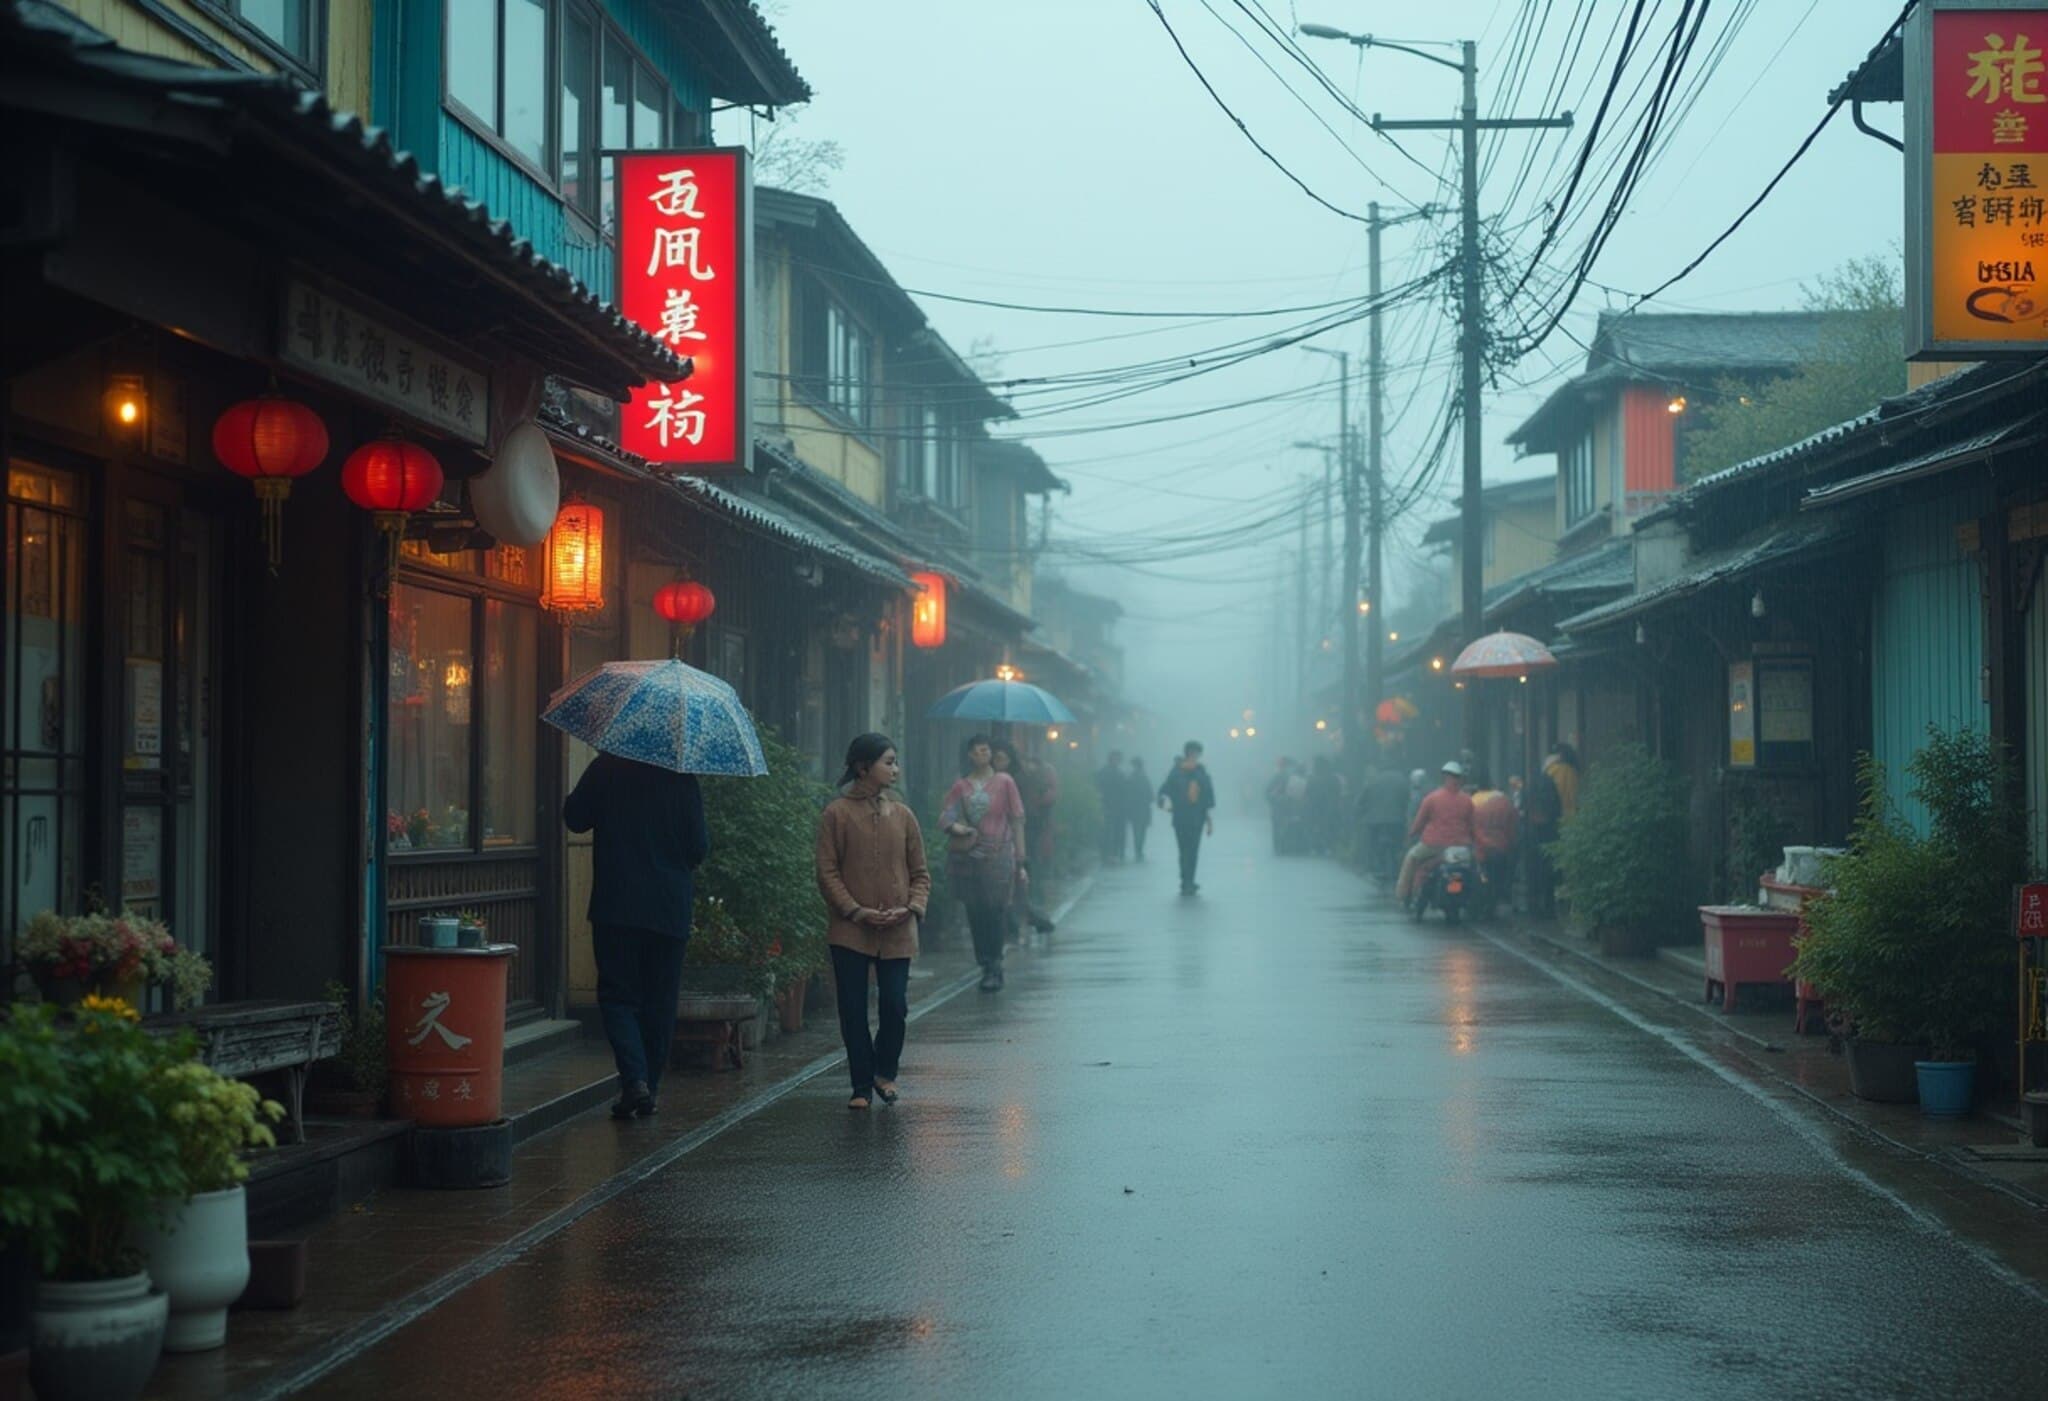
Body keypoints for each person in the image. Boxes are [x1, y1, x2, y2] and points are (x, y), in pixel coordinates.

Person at [562, 751, 709, 1120]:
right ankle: (649, 1089)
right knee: (660, 1002)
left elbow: (575, 819)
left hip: (618, 904)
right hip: (668, 908)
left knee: (617, 997)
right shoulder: (683, 778)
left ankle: (635, 1081)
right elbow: (698, 848)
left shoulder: (606, 767)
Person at [815, 734, 929, 1112]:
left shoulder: (903, 815)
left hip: (897, 928)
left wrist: (911, 907)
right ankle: (861, 1085)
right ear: (864, 767)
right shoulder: (837, 813)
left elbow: (921, 874)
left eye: (895, 762)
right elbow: (827, 871)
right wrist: (854, 910)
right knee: (852, 1008)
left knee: (895, 1005)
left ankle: (885, 1072)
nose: (895, 769)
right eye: (888, 762)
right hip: (851, 929)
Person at [941, 734, 1027, 991]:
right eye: (978, 750)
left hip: (1000, 854)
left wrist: (1020, 857)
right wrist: (960, 829)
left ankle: (995, 964)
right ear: (970, 755)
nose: (984, 754)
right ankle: (984, 963)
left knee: (996, 909)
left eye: (987, 750)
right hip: (969, 856)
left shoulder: (1005, 781)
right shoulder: (961, 786)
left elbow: (1017, 818)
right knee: (975, 910)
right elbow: (946, 817)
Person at [1395, 761, 1476, 906]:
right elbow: (1472, 824)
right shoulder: (1467, 800)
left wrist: (1411, 834)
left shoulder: (1432, 798)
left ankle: (1403, 895)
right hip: (1460, 847)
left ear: (1444, 777)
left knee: (1411, 858)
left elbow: (1419, 822)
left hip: (1433, 845)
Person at [1157, 740, 1216, 895]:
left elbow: (1207, 795)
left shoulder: (1198, 771)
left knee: (1193, 850)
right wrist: (1168, 806)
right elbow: (1164, 792)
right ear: (1187, 753)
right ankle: (1185, 880)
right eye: (1192, 752)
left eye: (1196, 752)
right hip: (1182, 817)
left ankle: (1188, 880)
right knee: (1184, 850)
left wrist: (1207, 817)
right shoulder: (1177, 771)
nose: (1194, 755)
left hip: (1196, 818)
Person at [1468, 770, 1519, 916]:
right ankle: (1497, 900)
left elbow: (1469, 827)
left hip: (1480, 849)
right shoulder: (1505, 802)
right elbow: (1512, 828)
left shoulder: (1473, 801)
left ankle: (1482, 903)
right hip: (1500, 849)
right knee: (1499, 877)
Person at [1356, 764, 1411, 883]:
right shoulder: (1402, 779)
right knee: (1397, 846)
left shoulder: (1373, 781)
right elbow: (1408, 799)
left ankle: (1377, 865)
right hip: (1397, 820)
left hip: (1375, 822)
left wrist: (1362, 813)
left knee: (1374, 844)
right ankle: (1398, 867)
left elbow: (1360, 801)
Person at [1305, 756, 1342, 855]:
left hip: (1314, 807)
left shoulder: (1312, 778)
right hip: (1329, 807)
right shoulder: (1333, 778)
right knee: (1328, 827)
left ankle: (1315, 847)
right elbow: (1338, 793)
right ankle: (1328, 847)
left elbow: (1307, 793)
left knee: (1315, 827)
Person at [1095, 750, 1128, 864]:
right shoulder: (1105, 773)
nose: (1117, 761)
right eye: (1116, 758)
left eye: (1118, 758)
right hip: (1108, 806)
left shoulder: (1120, 773)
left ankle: (1114, 853)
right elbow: (1099, 789)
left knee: (1116, 831)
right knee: (1107, 831)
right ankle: (1108, 853)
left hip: (1118, 807)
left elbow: (1125, 791)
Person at [1125, 757, 1154, 861]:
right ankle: (1139, 850)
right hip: (1141, 808)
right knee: (1140, 831)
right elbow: (1151, 795)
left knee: (1138, 830)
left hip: (1136, 809)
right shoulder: (1143, 778)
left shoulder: (1131, 778)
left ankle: (1139, 850)